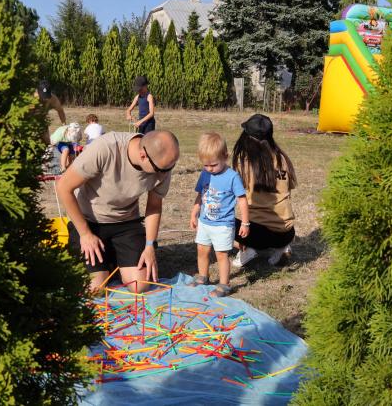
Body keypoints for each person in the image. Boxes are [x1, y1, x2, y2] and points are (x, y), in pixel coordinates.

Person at [55, 130, 180, 293]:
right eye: (161, 169)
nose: (165, 173)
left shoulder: (163, 165)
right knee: (94, 289)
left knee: (140, 285)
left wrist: (150, 245)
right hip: (90, 222)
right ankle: (105, 260)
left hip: (126, 223)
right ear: (143, 156)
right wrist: (85, 234)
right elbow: (63, 187)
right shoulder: (105, 148)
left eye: (170, 167)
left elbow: (154, 206)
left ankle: (112, 258)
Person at [230, 114, 297, 268]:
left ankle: (247, 249)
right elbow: (288, 192)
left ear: (247, 138)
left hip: (258, 235)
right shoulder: (282, 159)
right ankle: (281, 248)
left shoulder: (244, 163)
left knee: (219, 220)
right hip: (287, 232)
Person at [188, 132, 250, 297]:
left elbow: (242, 200)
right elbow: (200, 194)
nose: (209, 169)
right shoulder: (205, 174)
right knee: (202, 250)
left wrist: (245, 223)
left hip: (223, 225)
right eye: (206, 165)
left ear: (225, 156)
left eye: (213, 165)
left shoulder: (232, 177)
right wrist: (194, 213)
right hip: (205, 222)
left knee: (221, 254)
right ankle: (203, 276)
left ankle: (224, 284)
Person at [34, 80, 67, 145]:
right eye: (42, 96)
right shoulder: (31, 99)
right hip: (30, 122)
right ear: (37, 92)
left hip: (42, 121)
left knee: (47, 141)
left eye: (46, 96)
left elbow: (60, 110)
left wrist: (64, 125)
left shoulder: (53, 99)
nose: (45, 99)